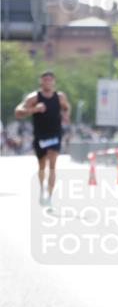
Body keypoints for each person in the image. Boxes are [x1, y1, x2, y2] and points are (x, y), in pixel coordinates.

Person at [15, 71, 70, 206]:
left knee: (52, 164)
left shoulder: (60, 97)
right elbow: (17, 112)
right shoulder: (34, 97)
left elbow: (66, 108)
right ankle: (42, 189)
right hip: (40, 135)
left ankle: (49, 197)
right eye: (45, 80)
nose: (48, 82)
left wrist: (66, 115)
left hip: (55, 134)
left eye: (50, 80)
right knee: (42, 166)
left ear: (54, 82)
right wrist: (34, 110)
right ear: (41, 82)